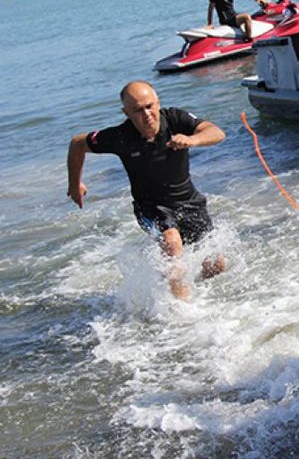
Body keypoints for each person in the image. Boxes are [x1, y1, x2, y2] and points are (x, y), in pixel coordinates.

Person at [66, 81, 227, 301]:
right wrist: (74, 184)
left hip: (189, 202)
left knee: (216, 264)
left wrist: (192, 140)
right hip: (150, 207)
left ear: (157, 102)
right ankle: (182, 310)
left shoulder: (176, 119)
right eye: (138, 110)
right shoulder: (120, 136)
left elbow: (216, 132)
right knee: (172, 243)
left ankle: (206, 299)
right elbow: (78, 143)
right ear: (126, 113)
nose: (147, 115)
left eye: (149, 106)